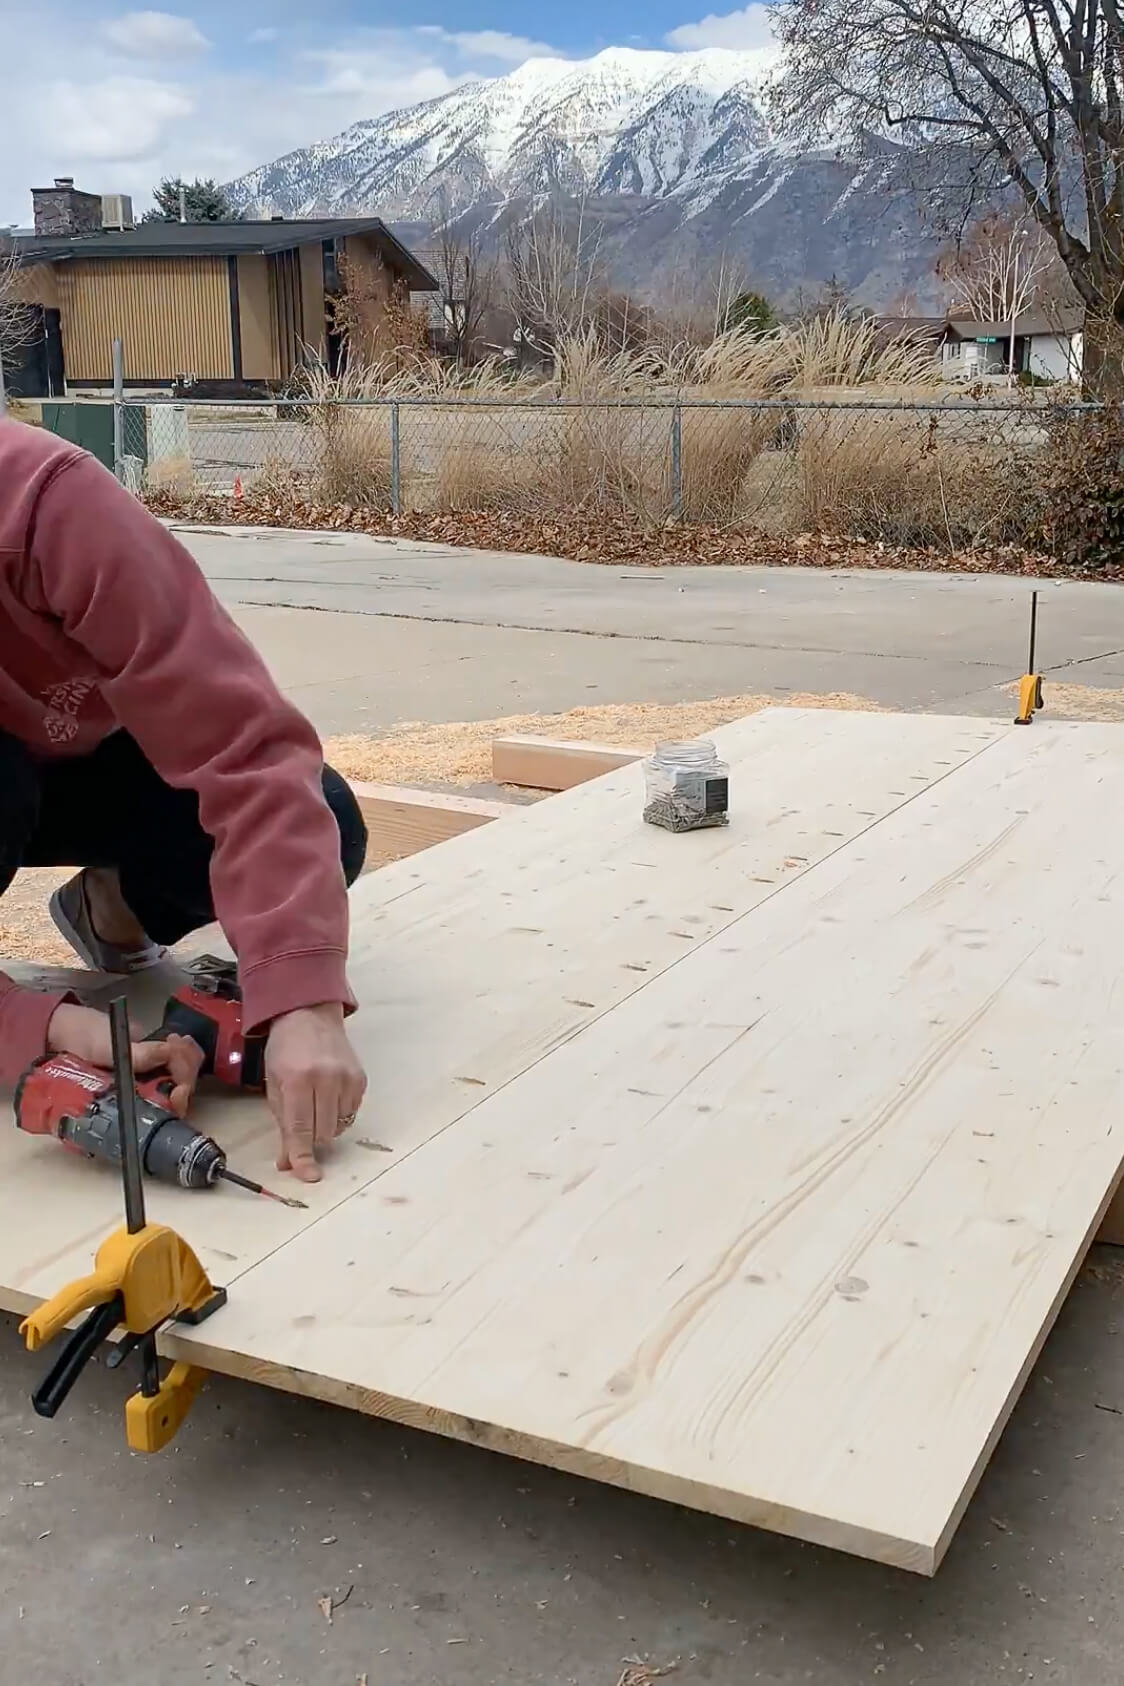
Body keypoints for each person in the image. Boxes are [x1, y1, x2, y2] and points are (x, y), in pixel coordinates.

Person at [0, 416, 367, 1183]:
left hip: (100, 758)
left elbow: (244, 745)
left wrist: (303, 997)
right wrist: (42, 1025)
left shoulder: (47, 505)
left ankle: (114, 906)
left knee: (326, 820)